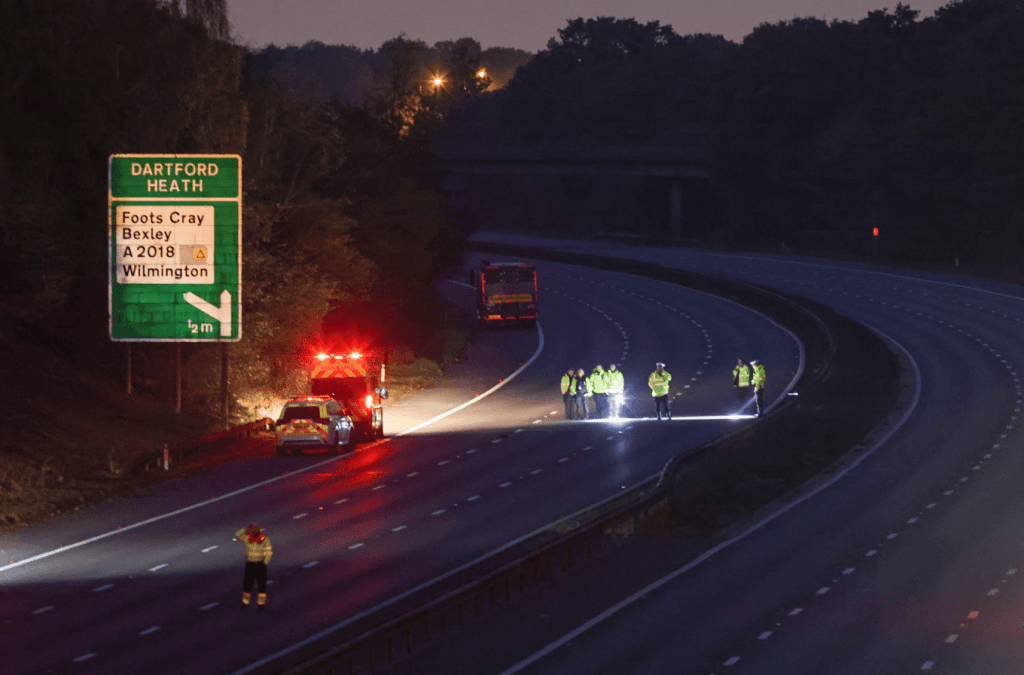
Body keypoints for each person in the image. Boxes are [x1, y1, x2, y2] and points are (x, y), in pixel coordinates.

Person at [235, 523, 273, 610]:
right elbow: (237, 535)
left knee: (261, 585)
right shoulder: (247, 537)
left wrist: (265, 563)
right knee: (247, 584)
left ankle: (261, 604)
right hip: (250, 563)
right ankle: (245, 603)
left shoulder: (264, 539)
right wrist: (245, 529)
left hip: (260, 564)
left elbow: (268, 552)